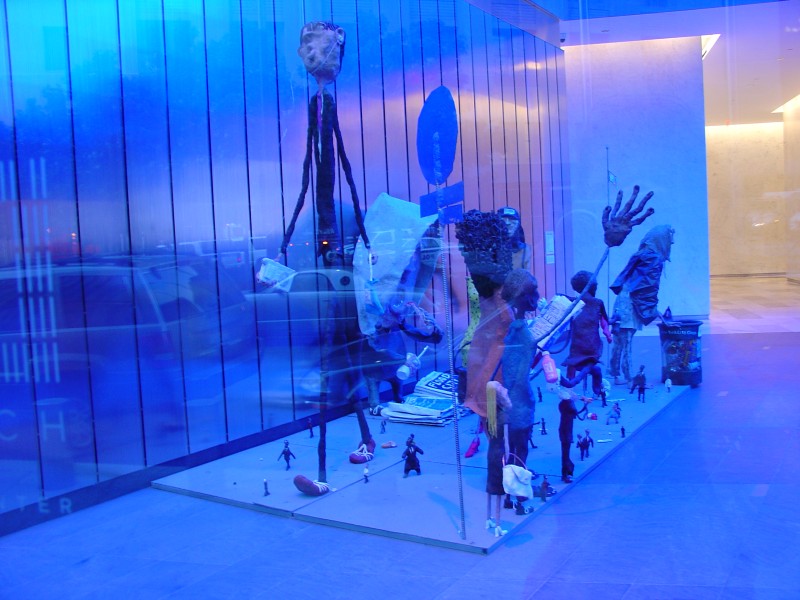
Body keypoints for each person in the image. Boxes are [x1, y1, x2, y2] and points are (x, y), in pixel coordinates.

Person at [608, 224, 674, 385]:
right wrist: (655, 312)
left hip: (623, 300)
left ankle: (615, 374)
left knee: (619, 340)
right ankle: (630, 378)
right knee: (626, 341)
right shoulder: (653, 259)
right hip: (630, 303)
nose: (672, 243)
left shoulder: (640, 254)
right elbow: (646, 289)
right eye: (669, 239)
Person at [498, 269, 540, 514]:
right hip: (517, 401)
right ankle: (516, 491)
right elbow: (519, 377)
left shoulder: (514, 329)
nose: (536, 298)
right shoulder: (521, 334)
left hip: (510, 399)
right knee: (518, 449)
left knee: (511, 447)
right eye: (532, 293)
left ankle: (510, 490)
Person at [559, 270, 613, 398]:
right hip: (587, 343)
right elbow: (604, 321)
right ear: (591, 286)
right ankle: (575, 387)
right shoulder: (592, 302)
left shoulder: (578, 302)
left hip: (583, 343)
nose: (597, 287)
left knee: (575, 364)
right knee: (580, 364)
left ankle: (572, 386)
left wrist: (607, 332)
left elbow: (603, 321)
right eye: (596, 285)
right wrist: (607, 333)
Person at [558, 390, 591, 482]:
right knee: (565, 454)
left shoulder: (562, 404)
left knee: (564, 453)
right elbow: (579, 414)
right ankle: (565, 474)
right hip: (567, 431)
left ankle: (565, 473)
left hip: (563, 430)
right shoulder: (570, 405)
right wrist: (586, 404)